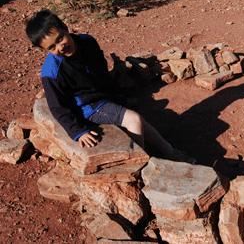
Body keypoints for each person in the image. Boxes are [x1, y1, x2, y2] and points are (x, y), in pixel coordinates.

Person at [25, 9, 195, 164]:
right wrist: (78, 131)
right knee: (133, 120)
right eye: (52, 47)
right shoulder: (52, 71)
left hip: (103, 96)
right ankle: (141, 164)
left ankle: (169, 151)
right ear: (44, 50)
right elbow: (57, 107)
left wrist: (113, 94)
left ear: (64, 26)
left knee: (139, 121)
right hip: (86, 106)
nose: (60, 47)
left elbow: (101, 68)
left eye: (60, 38)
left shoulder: (87, 41)